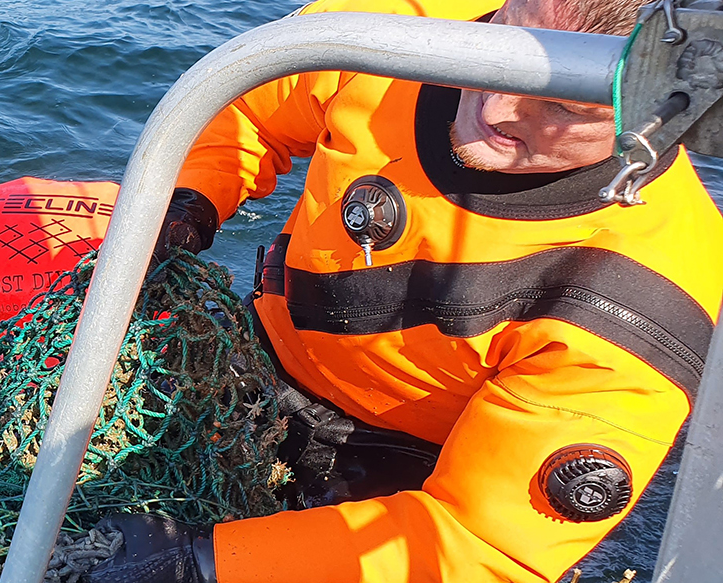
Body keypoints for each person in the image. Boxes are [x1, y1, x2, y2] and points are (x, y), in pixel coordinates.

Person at [90, 0, 723, 581]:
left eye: (566, 105)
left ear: (662, 114)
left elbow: (479, 543)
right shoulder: (403, 29)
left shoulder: (647, 294)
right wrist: (191, 200)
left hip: (401, 480)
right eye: (510, 46)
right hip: (249, 373)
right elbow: (254, 100)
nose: (499, 107)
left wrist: (200, 563)